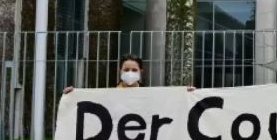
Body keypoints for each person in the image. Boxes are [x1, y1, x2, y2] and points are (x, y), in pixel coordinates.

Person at [63, 53, 195, 93]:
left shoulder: (150, 94)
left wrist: (185, 94)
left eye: (134, 70)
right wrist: (73, 96)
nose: (130, 73)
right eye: (126, 70)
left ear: (141, 71)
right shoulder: (109, 94)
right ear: (119, 70)